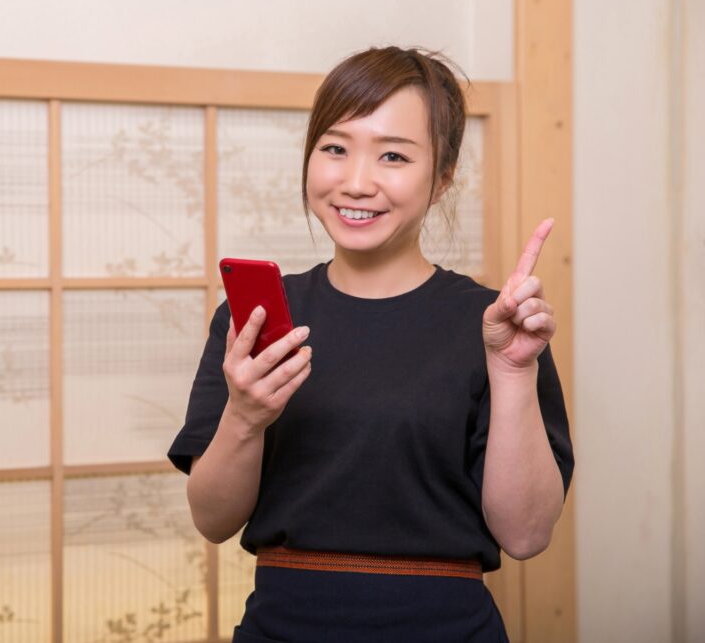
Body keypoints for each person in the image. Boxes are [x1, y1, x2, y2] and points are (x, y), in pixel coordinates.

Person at [167, 47, 574, 642]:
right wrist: (245, 416)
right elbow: (213, 519)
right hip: (281, 628)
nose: (356, 182)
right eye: (334, 148)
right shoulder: (254, 318)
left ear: (441, 179)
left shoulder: (495, 327)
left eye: (392, 156)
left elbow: (526, 535)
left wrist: (512, 374)